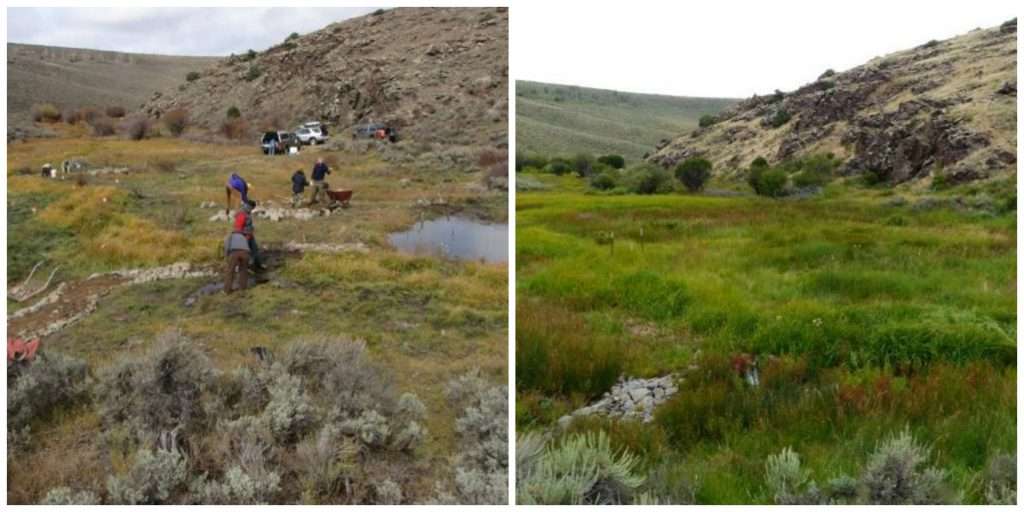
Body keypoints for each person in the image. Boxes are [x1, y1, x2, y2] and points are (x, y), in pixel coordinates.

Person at [234, 199, 266, 270]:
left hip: (250, 236)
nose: (252, 210)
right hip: (243, 237)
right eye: (252, 208)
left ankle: (258, 265)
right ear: (249, 206)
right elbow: (238, 228)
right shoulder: (241, 214)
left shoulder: (247, 212)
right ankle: (238, 267)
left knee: (255, 250)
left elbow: (247, 224)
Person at [223, 228, 250, 293]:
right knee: (243, 271)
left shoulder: (230, 236)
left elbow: (227, 246)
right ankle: (243, 288)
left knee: (230, 271)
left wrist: (226, 256)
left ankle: (227, 290)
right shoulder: (243, 237)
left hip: (234, 252)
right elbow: (247, 247)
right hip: (245, 253)